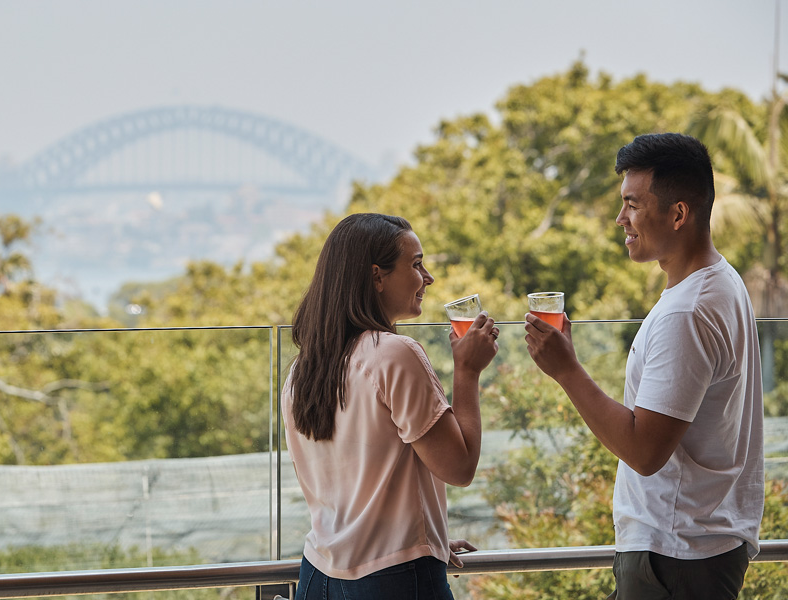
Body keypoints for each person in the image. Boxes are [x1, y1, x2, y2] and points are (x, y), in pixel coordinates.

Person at [524, 133, 765, 599]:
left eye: (633, 205)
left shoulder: (687, 312)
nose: (621, 220)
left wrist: (567, 371)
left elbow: (644, 452)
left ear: (678, 214)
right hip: (698, 547)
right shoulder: (723, 282)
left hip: (676, 554)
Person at [282, 212, 499, 600]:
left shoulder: (302, 370)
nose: (428, 277)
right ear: (377, 276)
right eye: (416, 265)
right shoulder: (394, 354)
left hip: (319, 577)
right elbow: (460, 468)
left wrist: (422, 540)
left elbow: (352, 480)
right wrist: (467, 370)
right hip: (392, 581)